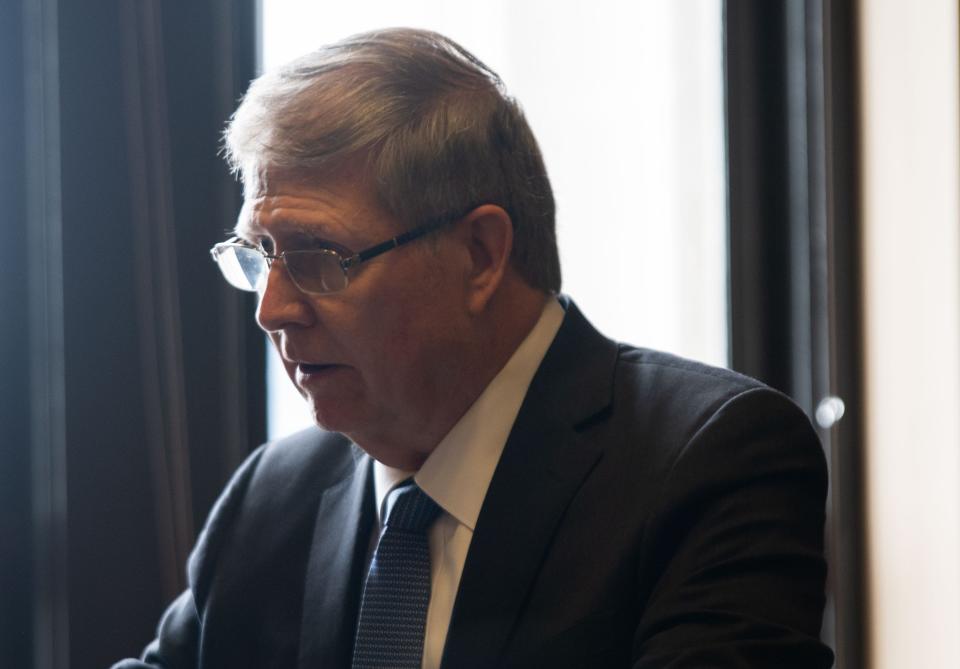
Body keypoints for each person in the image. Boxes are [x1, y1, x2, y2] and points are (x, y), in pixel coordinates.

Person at [113, 27, 832, 669]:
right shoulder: (273, 497)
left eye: (319, 256)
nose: (273, 309)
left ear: (480, 254)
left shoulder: (708, 460)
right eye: (259, 254)